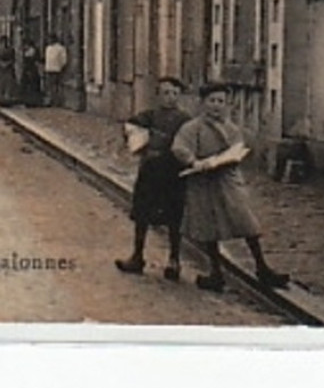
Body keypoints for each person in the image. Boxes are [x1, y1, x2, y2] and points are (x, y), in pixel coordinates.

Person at [172, 82, 290, 292]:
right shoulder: (192, 128)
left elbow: (239, 147)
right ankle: (215, 272)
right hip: (203, 182)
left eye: (221, 101)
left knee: (246, 221)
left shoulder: (231, 128)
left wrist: (233, 156)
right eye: (212, 101)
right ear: (203, 103)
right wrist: (193, 161)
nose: (216, 106)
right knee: (210, 227)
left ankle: (262, 267)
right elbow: (180, 147)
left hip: (227, 179)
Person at [114, 76, 192, 281]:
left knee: (174, 217)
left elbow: (190, 142)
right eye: (166, 93)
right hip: (149, 171)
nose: (170, 97)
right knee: (142, 213)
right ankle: (137, 256)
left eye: (175, 93)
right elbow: (131, 126)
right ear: (158, 95)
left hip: (173, 174)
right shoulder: (150, 115)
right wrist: (135, 137)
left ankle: (174, 260)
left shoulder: (185, 120)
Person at [42, 36, 68, 108]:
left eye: (50, 39)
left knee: (56, 86)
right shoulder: (48, 48)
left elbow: (64, 59)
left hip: (57, 69)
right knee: (50, 86)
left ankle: (57, 101)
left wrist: (61, 66)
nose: (49, 41)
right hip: (49, 69)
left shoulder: (60, 48)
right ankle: (51, 100)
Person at [0, 34, 18, 106]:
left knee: (9, 84)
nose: (4, 43)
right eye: (2, 42)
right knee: (1, 85)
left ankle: (8, 100)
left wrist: (8, 64)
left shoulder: (11, 50)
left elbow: (13, 59)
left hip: (8, 70)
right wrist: (1, 64)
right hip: (1, 70)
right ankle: (0, 99)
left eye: (5, 42)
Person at [19, 41, 43, 107]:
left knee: (33, 86)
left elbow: (37, 61)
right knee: (26, 86)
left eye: (26, 45)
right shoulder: (25, 52)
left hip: (32, 70)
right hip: (27, 70)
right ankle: (27, 101)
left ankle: (33, 101)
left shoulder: (34, 51)